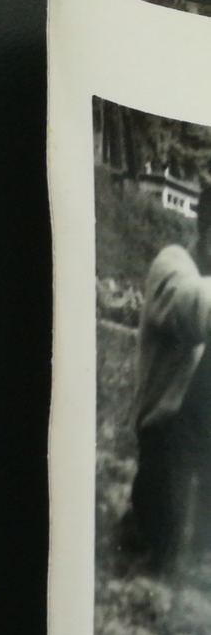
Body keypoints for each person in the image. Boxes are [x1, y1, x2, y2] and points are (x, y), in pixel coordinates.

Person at [123, 196, 211, 570]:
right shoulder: (172, 265)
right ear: (206, 235)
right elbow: (191, 306)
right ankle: (140, 531)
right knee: (165, 553)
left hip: (202, 442)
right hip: (166, 440)